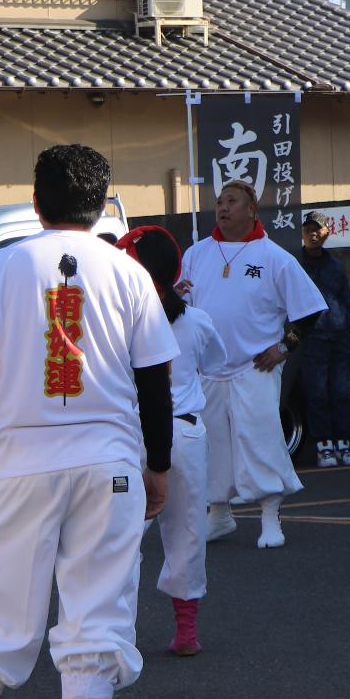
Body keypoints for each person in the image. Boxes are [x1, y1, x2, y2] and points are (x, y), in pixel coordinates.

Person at [0, 144, 177, 699]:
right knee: (97, 604)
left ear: (36, 199)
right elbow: (156, 382)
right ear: (102, 204)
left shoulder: (2, 263)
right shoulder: (130, 273)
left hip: (18, 461)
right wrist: (158, 466)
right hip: (109, 461)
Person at [178, 181, 324, 549]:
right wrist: (172, 297)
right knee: (212, 444)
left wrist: (283, 348)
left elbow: (309, 313)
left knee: (261, 438)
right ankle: (219, 515)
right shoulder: (197, 254)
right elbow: (181, 304)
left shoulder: (275, 257)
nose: (223, 207)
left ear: (252, 210)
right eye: (219, 202)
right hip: (208, 367)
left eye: (232, 201)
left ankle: (271, 516)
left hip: (255, 365)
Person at [119, 225, 227, 657]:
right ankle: (186, 632)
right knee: (187, 532)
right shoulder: (196, 319)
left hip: (130, 433)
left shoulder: (115, 321)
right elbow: (217, 361)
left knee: (119, 537)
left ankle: (116, 633)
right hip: (184, 431)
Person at [294, 212, 350, 467]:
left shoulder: (336, 266)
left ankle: (343, 444)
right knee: (317, 393)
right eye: (308, 229)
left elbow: (347, 302)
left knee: (340, 392)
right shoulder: (295, 265)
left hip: (340, 337)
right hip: (313, 339)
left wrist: (349, 332)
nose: (312, 234)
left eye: (317, 229)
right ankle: (324, 448)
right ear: (302, 233)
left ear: (326, 233)